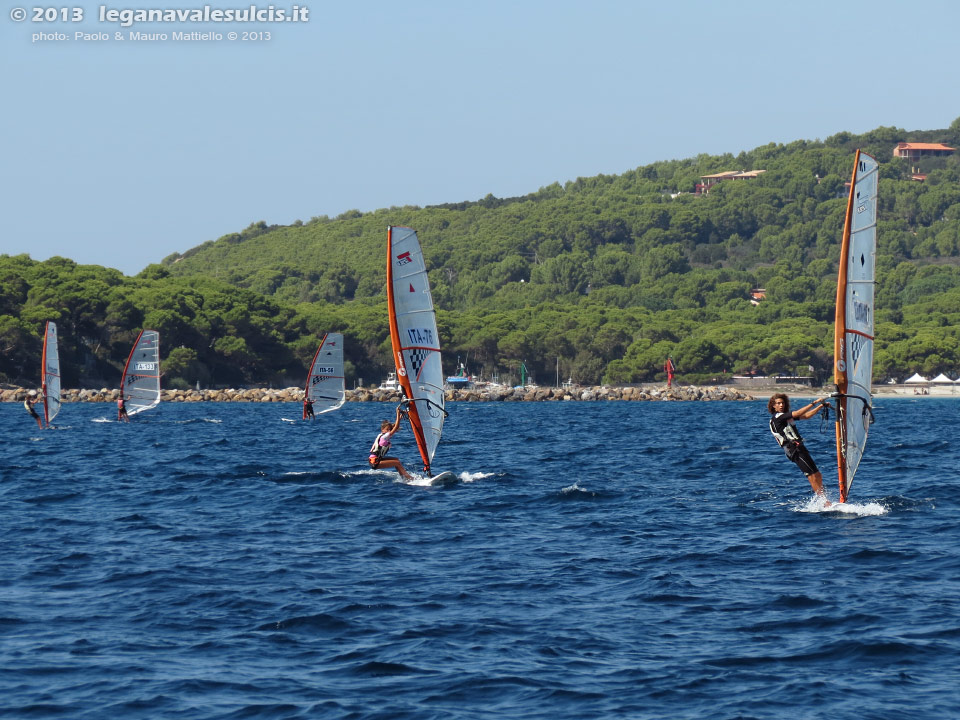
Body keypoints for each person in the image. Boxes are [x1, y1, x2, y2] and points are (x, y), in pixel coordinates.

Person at [768, 393, 831, 504]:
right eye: (778, 403)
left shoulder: (786, 416)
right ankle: (824, 502)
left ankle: (824, 498)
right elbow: (798, 413)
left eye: (783, 403)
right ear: (774, 406)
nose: (781, 405)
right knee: (811, 475)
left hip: (800, 447)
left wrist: (820, 407)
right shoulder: (777, 417)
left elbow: (806, 416)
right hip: (793, 450)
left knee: (817, 474)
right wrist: (814, 402)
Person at [368, 404, 413, 479]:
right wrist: (398, 413)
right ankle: (409, 478)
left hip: (376, 459)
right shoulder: (385, 436)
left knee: (396, 460)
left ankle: (404, 477)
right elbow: (396, 427)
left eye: (389, 429)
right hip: (375, 462)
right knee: (397, 463)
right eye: (387, 429)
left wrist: (401, 416)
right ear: (382, 430)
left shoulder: (382, 435)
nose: (389, 431)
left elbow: (395, 426)